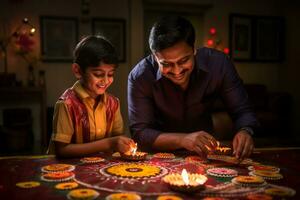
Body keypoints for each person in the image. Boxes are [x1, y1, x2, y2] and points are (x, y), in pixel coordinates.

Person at [128, 16, 259, 159]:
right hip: (159, 156)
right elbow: (140, 133)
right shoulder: (140, 77)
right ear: (154, 57)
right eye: (166, 64)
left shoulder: (219, 65)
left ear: (194, 49)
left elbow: (242, 110)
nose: (177, 71)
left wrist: (245, 130)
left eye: (183, 61)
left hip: (206, 153)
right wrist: (183, 139)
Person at [48, 35, 135, 157]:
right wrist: (109, 143)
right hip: (71, 169)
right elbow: (62, 150)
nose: (105, 81)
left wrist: (124, 144)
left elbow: (117, 138)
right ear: (78, 71)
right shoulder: (67, 104)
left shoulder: (113, 103)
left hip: (102, 169)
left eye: (110, 74)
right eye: (98, 74)